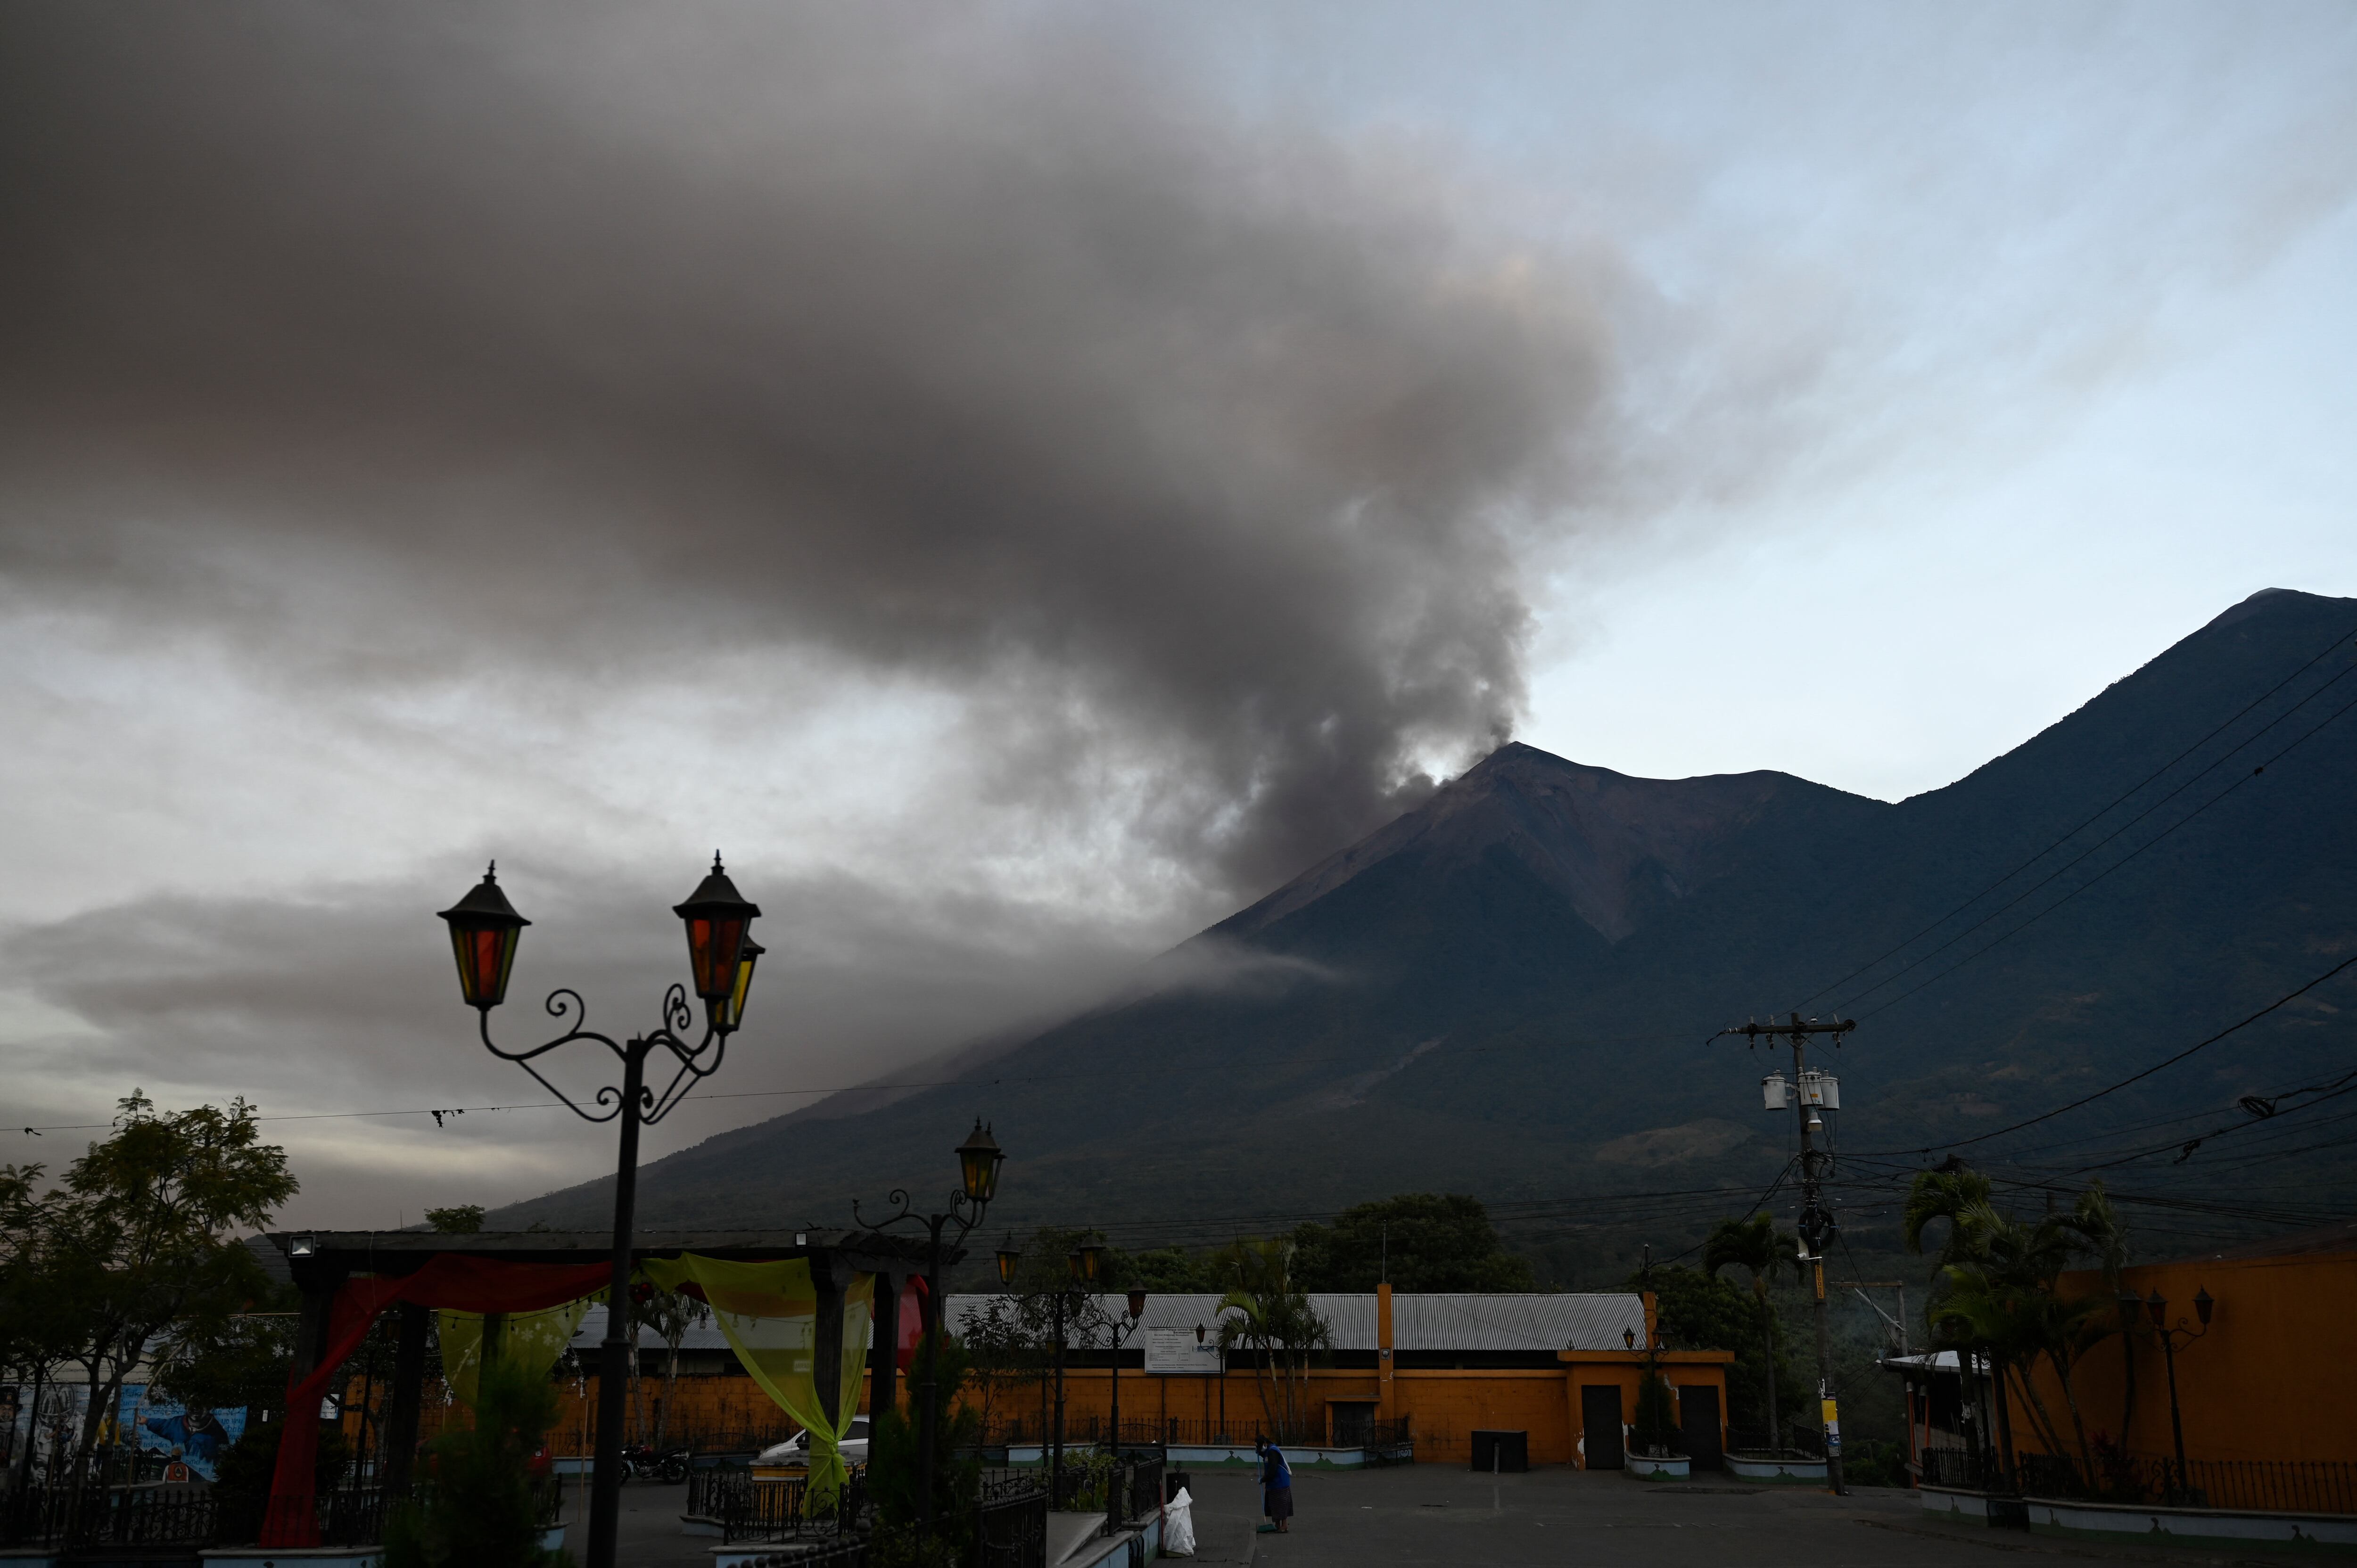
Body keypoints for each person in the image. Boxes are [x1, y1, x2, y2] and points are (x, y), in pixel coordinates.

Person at [1255, 1437, 1293, 1534]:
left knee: (1281, 1505)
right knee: (1274, 1505)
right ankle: (1277, 1525)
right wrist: (1260, 1453)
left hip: (1280, 1482)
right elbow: (1266, 1459)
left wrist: (1263, 1479)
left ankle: (1284, 1526)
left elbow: (1273, 1469)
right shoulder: (1268, 1451)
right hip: (1273, 1484)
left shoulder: (1273, 1451)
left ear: (1265, 1444)